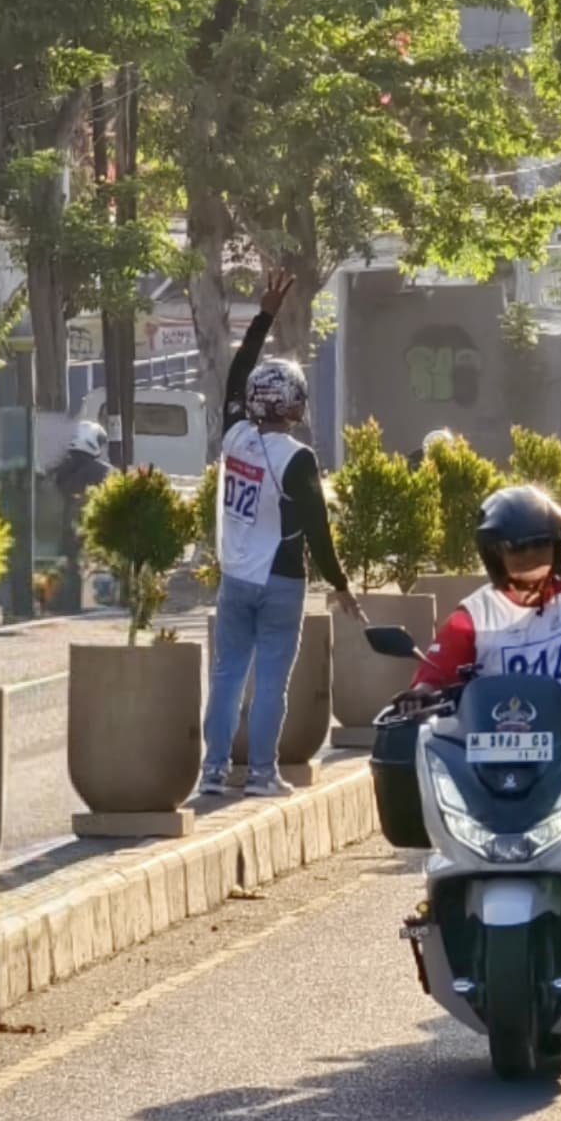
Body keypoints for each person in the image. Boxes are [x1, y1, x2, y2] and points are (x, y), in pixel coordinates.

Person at [202, 273, 358, 801]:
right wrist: (339, 584)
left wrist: (264, 316)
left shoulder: (233, 435)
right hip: (281, 578)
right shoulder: (298, 459)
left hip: (235, 575)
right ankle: (263, 773)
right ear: (295, 407)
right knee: (270, 679)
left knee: (226, 675)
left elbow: (238, 371)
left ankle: (214, 772)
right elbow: (317, 529)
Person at [400, 409, 561, 691]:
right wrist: (419, 696)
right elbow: (432, 677)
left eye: (541, 544)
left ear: (558, 548)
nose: (530, 556)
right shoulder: (473, 615)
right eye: (517, 548)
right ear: (495, 555)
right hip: (495, 733)